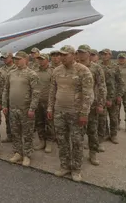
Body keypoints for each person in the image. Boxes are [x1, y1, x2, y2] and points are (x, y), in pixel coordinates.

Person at [48, 45, 93, 182]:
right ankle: (65, 166)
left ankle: (76, 169)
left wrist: (84, 113)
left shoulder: (83, 71)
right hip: (59, 111)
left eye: (65, 55)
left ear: (74, 55)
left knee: (77, 141)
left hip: (76, 112)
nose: (62, 57)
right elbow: (52, 90)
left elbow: (88, 94)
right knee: (62, 140)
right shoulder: (56, 70)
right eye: (60, 55)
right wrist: (50, 108)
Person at [3, 51, 40, 167]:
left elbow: (36, 93)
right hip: (13, 108)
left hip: (26, 109)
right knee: (15, 132)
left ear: (25, 59)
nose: (16, 61)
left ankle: (27, 155)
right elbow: (6, 90)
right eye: (15, 59)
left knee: (27, 133)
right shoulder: (11, 73)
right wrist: (5, 105)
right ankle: (18, 152)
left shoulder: (32, 74)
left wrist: (32, 108)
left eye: (19, 59)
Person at [77, 45, 107, 164]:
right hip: (77, 104)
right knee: (78, 133)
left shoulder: (96, 68)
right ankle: (78, 155)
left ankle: (93, 154)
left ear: (89, 54)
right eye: (79, 52)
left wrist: (101, 104)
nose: (81, 54)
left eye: (83, 52)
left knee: (92, 130)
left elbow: (102, 86)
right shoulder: (75, 67)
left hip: (92, 104)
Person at [99, 49, 124, 144]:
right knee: (102, 118)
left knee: (113, 118)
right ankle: (105, 134)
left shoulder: (115, 67)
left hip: (113, 97)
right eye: (102, 54)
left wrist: (119, 95)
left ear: (110, 55)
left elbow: (120, 82)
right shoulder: (98, 67)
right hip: (102, 97)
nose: (104, 56)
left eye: (106, 54)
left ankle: (113, 135)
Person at [34, 53, 55, 153]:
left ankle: (50, 142)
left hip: (48, 102)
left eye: (42, 59)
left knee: (49, 123)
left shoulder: (52, 71)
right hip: (37, 101)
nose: (40, 61)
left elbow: (55, 87)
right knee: (39, 122)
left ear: (47, 60)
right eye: (39, 59)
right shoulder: (35, 72)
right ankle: (42, 141)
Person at [0, 52, 17, 143]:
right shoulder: (1, 70)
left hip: (15, 97)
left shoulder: (16, 68)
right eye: (3, 58)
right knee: (7, 119)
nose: (4, 59)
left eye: (6, 57)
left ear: (11, 57)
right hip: (5, 97)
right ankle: (9, 136)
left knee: (16, 119)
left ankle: (17, 137)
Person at [117, 53, 126, 134]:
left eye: (123, 58)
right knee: (116, 110)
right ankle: (117, 123)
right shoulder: (114, 68)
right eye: (120, 58)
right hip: (117, 92)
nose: (121, 59)